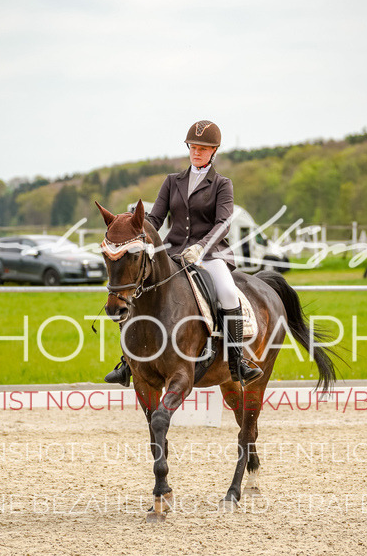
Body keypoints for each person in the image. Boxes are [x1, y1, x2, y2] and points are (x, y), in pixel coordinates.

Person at [105, 119, 262, 387]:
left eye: (203, 148)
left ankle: (238, 362)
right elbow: (155, 219)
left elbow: (223, 223)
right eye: (193, 147)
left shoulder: (222, 184)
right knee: (136, 292)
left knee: (225, 291)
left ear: (214, 151)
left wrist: (202, 247)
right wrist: (133, 229)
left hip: (210, 254)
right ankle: (127, 362)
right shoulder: (172, 181)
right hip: (173, 252)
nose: (196, 152)